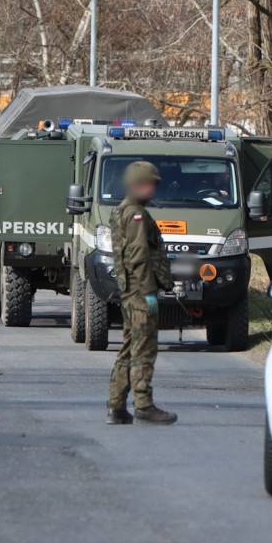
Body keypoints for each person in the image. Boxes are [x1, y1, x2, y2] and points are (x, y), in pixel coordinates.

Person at [107, 161, 177, 426]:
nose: (152, 189)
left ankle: (116, 406)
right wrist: (149, 293)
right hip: (140, 292)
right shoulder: (135, 214)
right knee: (144, 349)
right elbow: (138, 255)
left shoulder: (124, 211)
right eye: (148, 183)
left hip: (131, 292)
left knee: (129, 348)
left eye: (154, 184)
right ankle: (144, 405)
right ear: (135, 184)